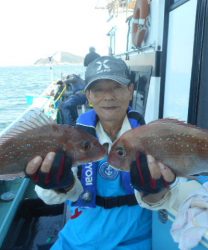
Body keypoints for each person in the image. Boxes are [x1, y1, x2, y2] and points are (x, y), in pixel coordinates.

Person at [25, 55, 176, 250]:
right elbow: (50, 197)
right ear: (88, 96)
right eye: (98, 90)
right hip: (79, 240)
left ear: (130, 90)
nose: (108, 97)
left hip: (136, 240)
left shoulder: (150, 140)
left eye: (117, 87)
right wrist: (59, 185)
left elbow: (164, 200)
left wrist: (154, 191)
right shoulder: (71, 139)